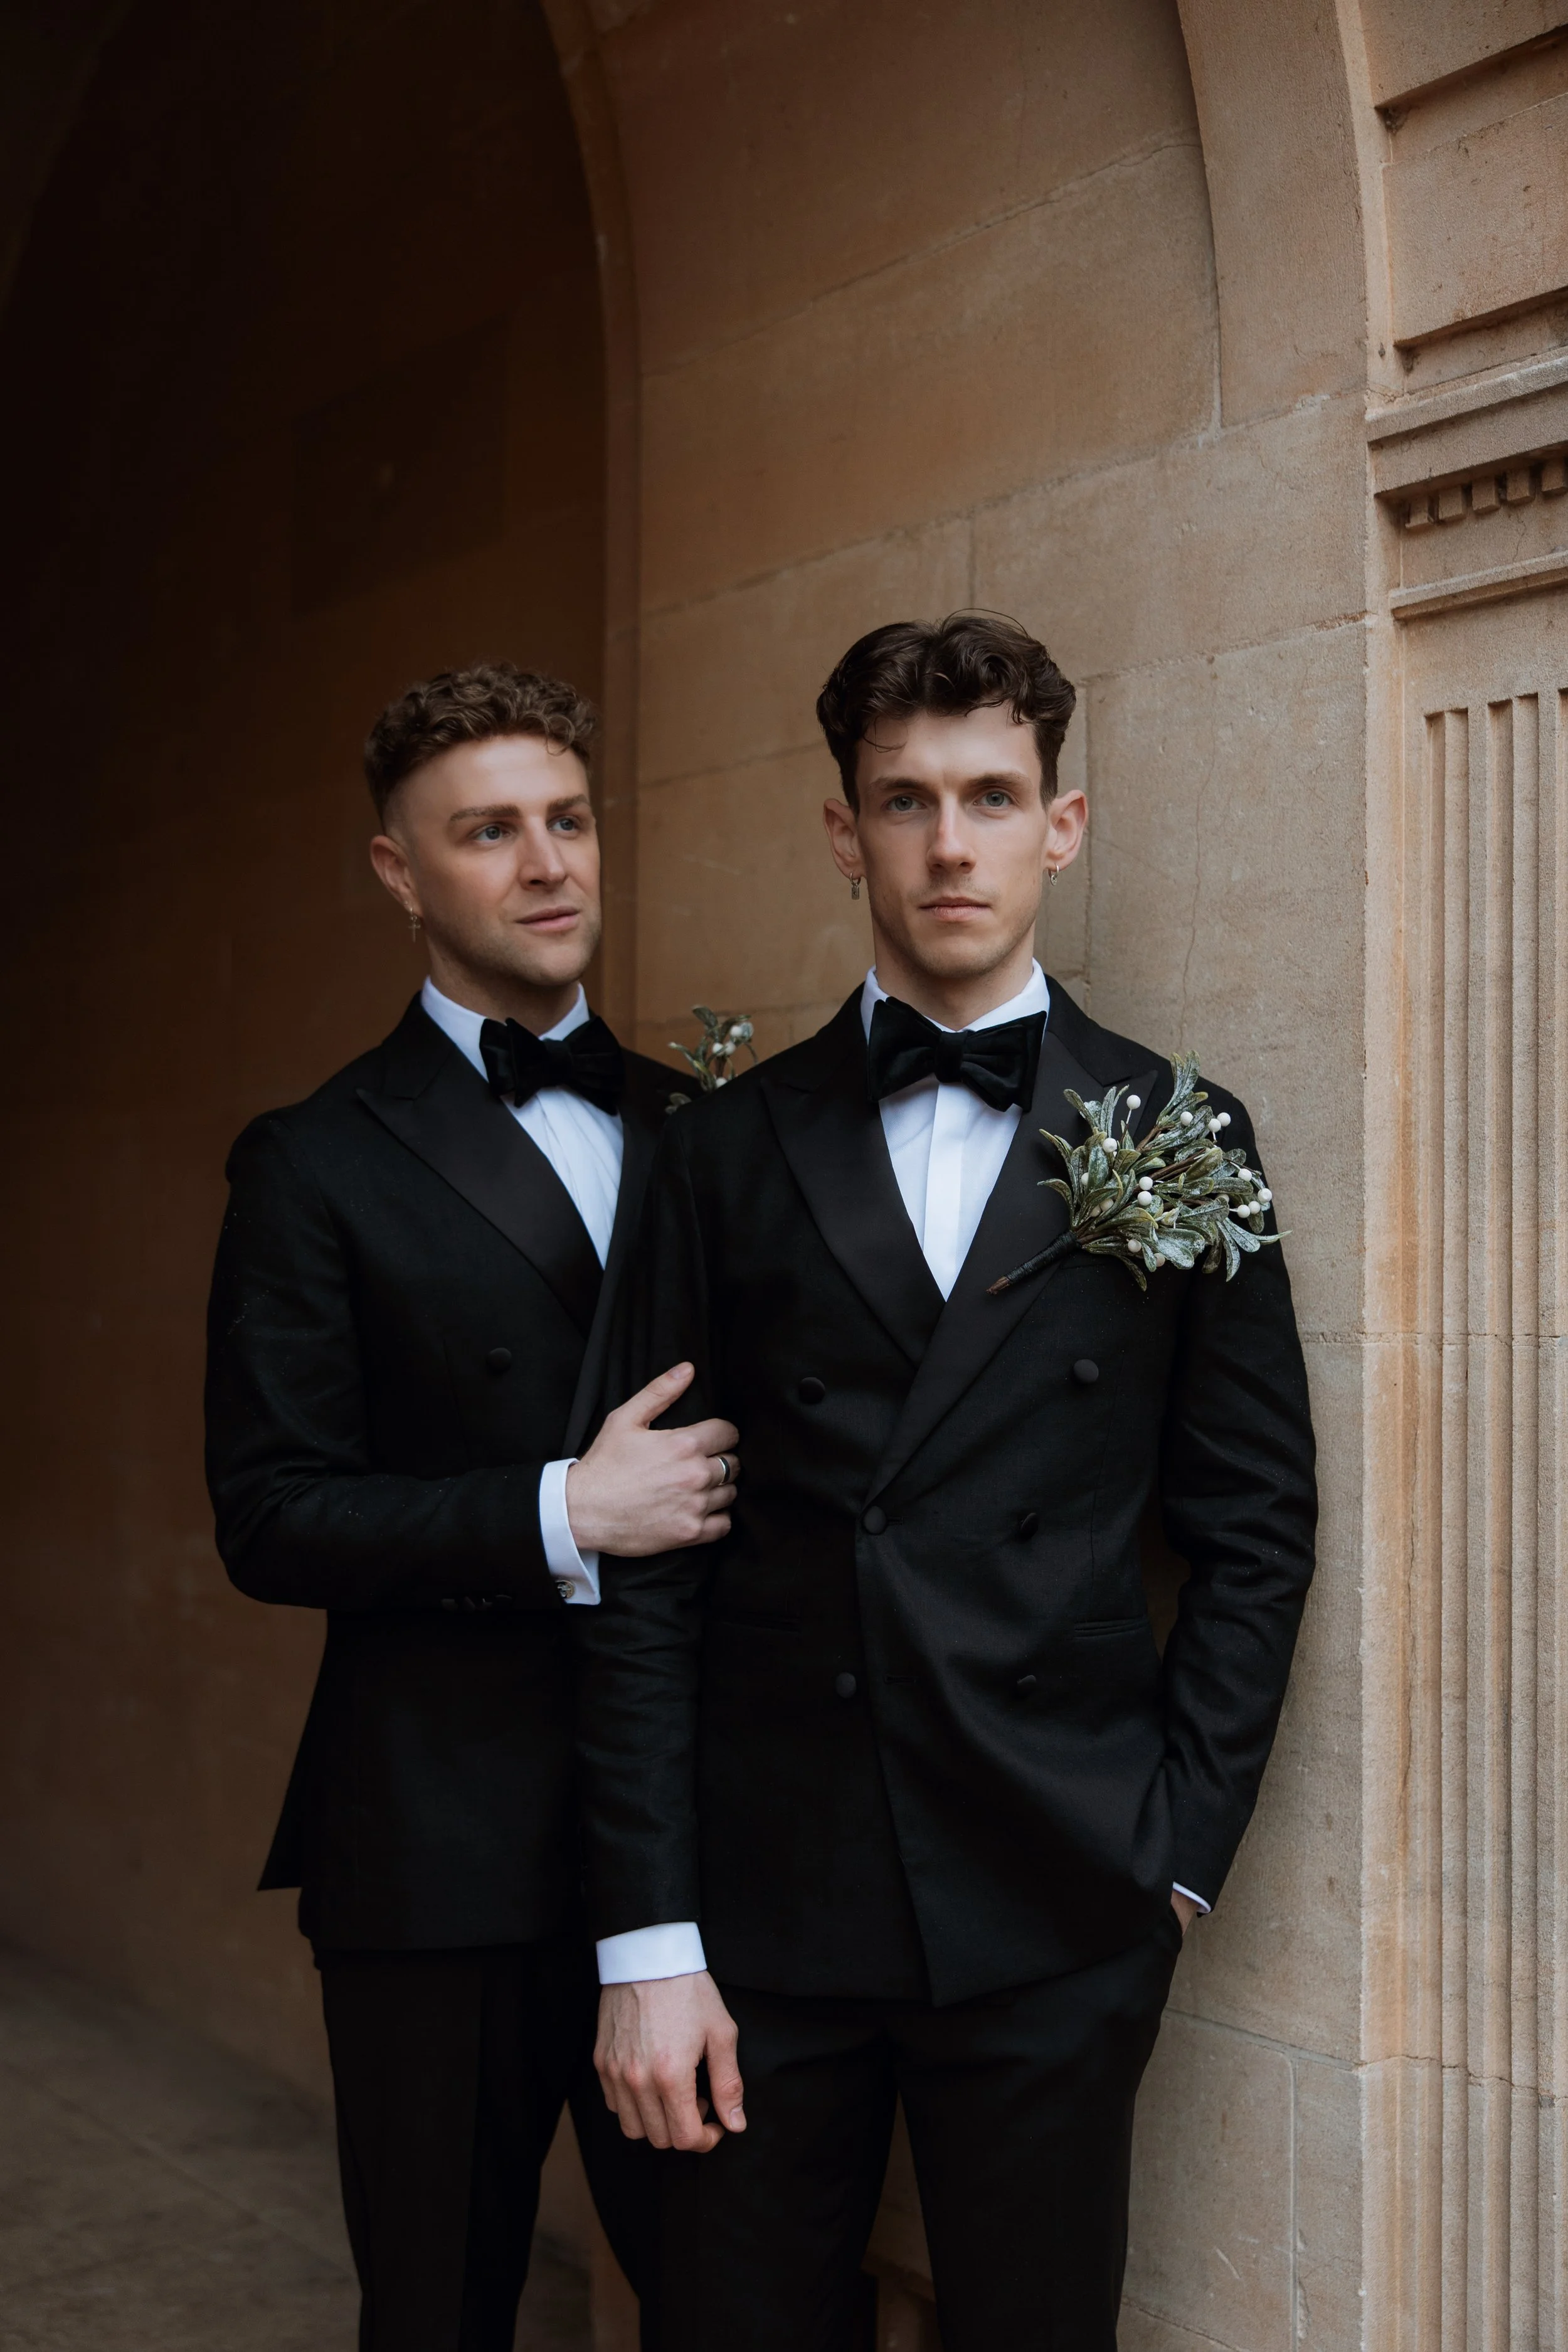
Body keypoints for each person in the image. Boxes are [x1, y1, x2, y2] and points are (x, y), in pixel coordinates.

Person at [579, 613, 1318, 2349]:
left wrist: (1176, 1856)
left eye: (991, 796)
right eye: (903, 800)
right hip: (763, 1909)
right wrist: (644, 1936)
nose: (949, 842)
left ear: (1061, 823)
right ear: (843, 831)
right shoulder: (721, 1154)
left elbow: (1252, 1527)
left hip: (1059, 1891)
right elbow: (646, 1565)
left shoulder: (1180, 1134)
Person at [205, 662, 741, 2352]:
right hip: (433, 1848)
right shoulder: (313, 1158)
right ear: (398, 871)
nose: (546, 863)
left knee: (738, 2296)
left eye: (566, 820)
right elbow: (272, 1513)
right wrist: (559, 1509)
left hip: (699, 1830)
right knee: (439, 2309)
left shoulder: (710, 1133)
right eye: (489, 831)